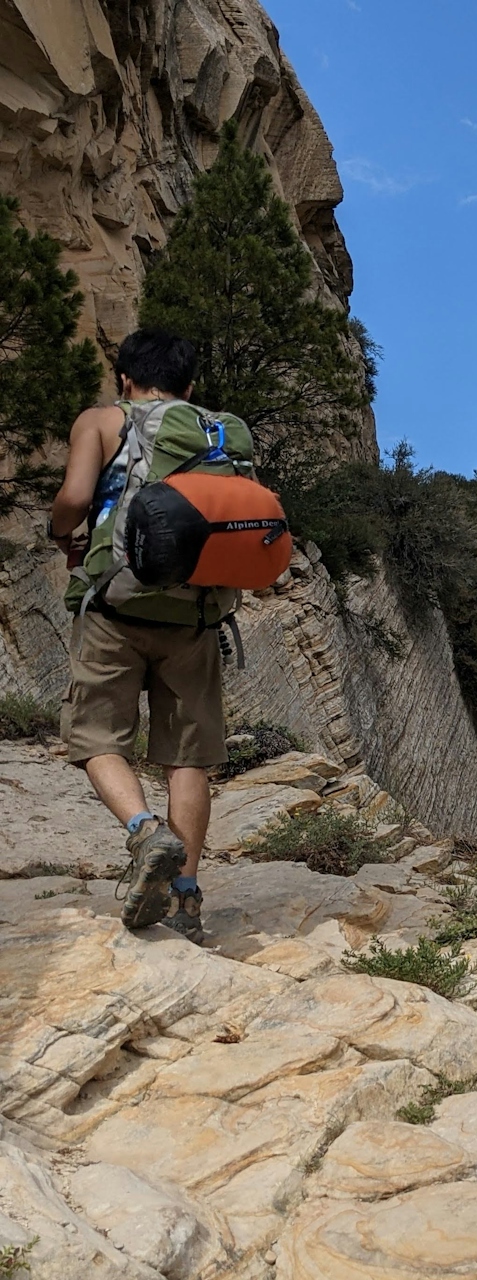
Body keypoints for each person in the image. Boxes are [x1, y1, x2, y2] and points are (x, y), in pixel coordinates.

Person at [48, 330, 227, 944]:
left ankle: (146, 832)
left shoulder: (103, 420)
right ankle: (186, 897)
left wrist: (62, 531)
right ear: (189, 384)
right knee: (188, 756)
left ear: (125, 378)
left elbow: (74, 499)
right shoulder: (219, 431)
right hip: (195, 615)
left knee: (96, 735)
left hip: (114, 608)